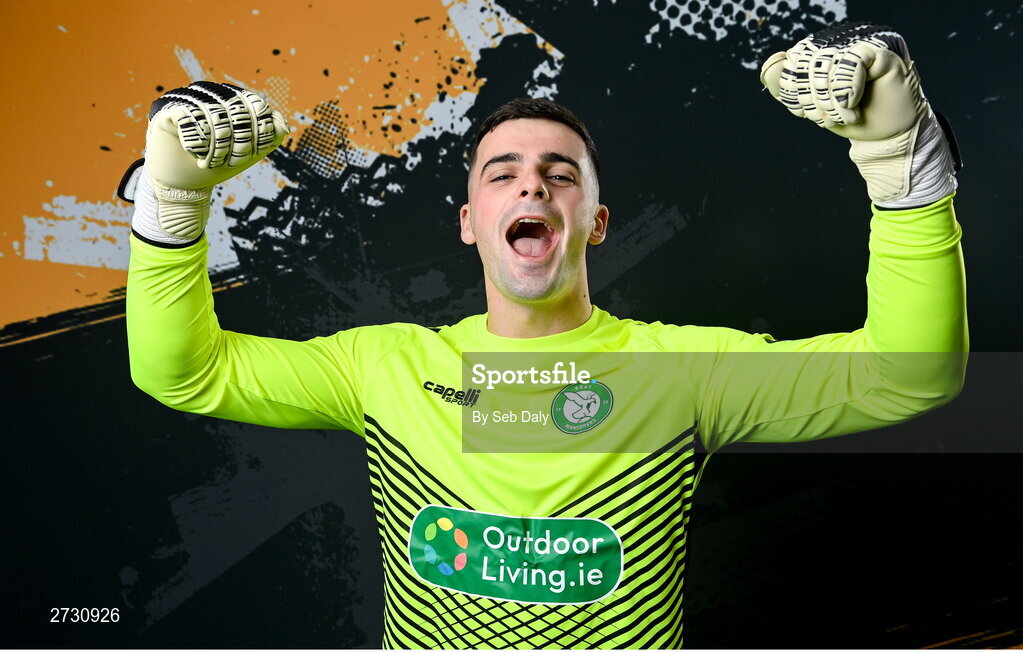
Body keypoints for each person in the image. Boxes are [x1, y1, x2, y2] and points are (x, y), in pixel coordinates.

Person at [123, 22, 967, 649]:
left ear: (594, 222)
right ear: (469, 222)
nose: (532, 184)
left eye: (558, 175)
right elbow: (185, 372)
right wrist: (169, 204)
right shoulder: (384, 366)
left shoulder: (683, 371)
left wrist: (905, 167)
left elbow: (908, 375)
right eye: (504, 174)